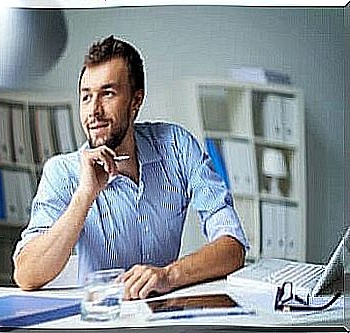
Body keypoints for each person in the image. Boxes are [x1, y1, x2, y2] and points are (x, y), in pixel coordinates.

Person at [13, 35, 248, 300]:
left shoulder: (176, 147)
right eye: (86, 97)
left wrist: (168, 276)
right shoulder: (62, 173)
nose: (94, 111)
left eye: (108, 94)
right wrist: (85, 195)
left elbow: (233, 246)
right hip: (103, 322)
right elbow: (26, 275)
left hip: (161, 318)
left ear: (136, 101)